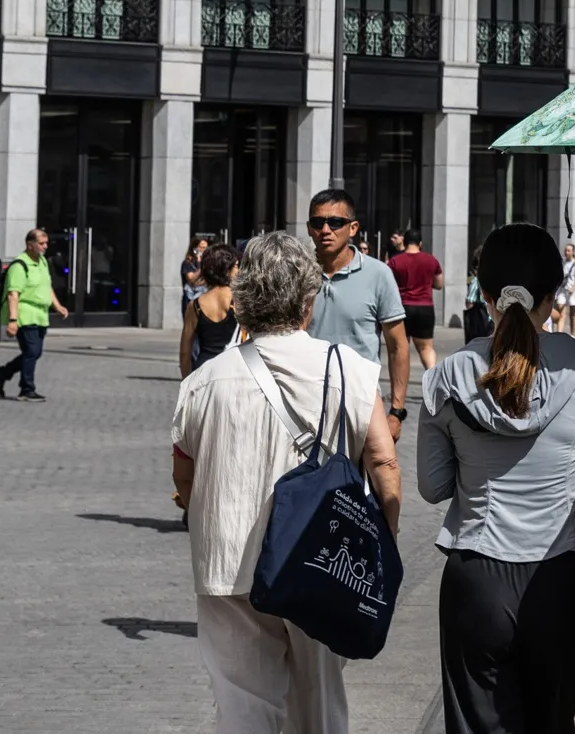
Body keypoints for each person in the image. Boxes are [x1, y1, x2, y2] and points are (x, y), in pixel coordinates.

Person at [172, 231, 402, 734]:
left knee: (242, 707)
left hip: (226, 565)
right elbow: (385, 465)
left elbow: (183, 475)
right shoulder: (351, 369)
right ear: (308, 300)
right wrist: (381, 538)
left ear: (243, 300)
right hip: (320, 558)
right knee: (319, 702)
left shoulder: (202, 382)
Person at [420, 222, 575, 733]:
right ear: (555, 293)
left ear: (485, 292)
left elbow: (433, 487)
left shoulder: (447, 375)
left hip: (477, 576)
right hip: (561, 577)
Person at [304, 189, 411, 441]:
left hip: (361, 404)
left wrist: (396, 412)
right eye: (318, 223)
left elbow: (398, 346)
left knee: (379, 473)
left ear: (353, 228)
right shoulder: (297, 271)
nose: (326, 230)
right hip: (304, 402)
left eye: (336, 222)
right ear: (309, 228)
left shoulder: (378, 274)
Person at [0, 228, 68, 401]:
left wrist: (57, 306)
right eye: (41, 243)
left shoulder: (42, 262)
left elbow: (46, 286)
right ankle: (26, 389)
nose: (45, 247)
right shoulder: (19, 265)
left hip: (40, 314)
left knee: (33, 352)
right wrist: (12, 320)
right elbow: (13, 294)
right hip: (25, 314)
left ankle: (2, 374)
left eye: (46, 243)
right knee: (32, 351)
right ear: (29, 245)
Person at [179, 244, 242, 378]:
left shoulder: (195, 305)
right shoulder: (240, 301)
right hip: (233, 372)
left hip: (203, 371)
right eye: (236, 266)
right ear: (226, 269)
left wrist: (186, 381)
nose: (238, 271)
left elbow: (185, 352)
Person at [388, 230, 443, 373]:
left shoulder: (395, 261)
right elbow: (439, 284)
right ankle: (433, 381)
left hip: (402, 308)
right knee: (426, 348)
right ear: (420, 243)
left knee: (400, 349)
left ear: (404, 242)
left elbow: (388, 285)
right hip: (425, 309)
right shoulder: (431, 260)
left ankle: (399, 392)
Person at [181, 235, 210, 318]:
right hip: (191, 299)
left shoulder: (207, 263)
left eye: (206, 248)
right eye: (202, 248)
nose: (204, 250)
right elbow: (192, 280)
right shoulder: (188, 263)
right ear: (194, 248)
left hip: (203, 298)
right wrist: (200, 264)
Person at [557, 242, 575, 336]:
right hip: (562, 290)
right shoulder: (562, 262)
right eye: (565, 250)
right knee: (561, 311)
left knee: (572, 315)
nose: (566, 252)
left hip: (573, 291)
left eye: (568, 250)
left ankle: (573, 335)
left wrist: (574, 287)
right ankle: (559, 334)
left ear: (573, 252)